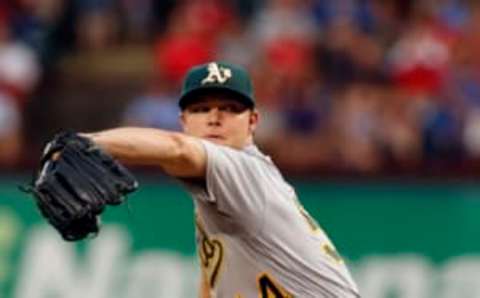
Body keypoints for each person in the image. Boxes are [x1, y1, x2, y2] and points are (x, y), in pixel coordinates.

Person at [84, 62, 360, 297]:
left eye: (229, 108)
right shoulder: (218, 189)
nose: (214, 118)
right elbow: (213, 281)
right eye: (201, 109)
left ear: (252, 121)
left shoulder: (242, 171)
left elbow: (178, 149)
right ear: (184, 120)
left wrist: (87, 143)